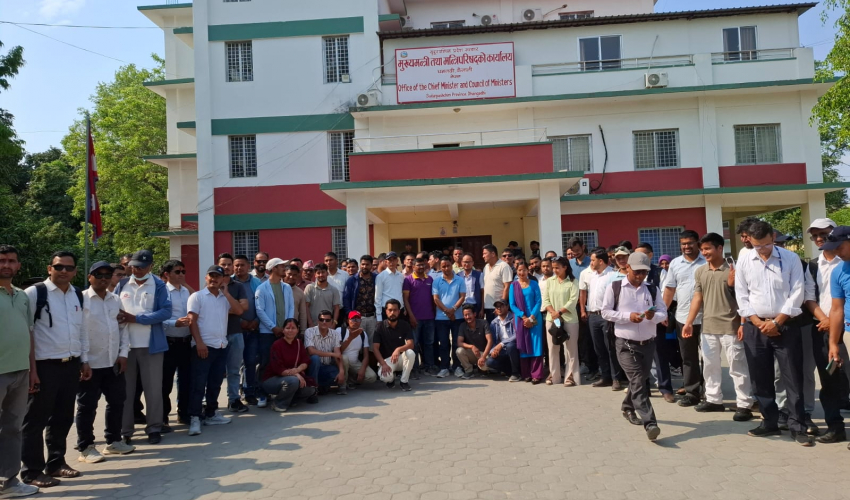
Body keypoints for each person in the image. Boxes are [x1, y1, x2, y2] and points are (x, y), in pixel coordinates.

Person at [735, 220, 812, 446]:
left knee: (792, 377)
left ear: (773, 237)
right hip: (756, 327)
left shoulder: (790, 258)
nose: (762, 250)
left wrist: (777, 322)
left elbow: (797, 292)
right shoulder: (745, 259)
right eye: (757, 245)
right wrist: (758, 322)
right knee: (760, 377)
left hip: (786, 325)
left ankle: (797, 426)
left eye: (766, 244)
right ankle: (769, 421)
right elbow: (741, 294)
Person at [22, 251, 91, 487]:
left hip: (70, 364)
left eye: (69, 268)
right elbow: (27, 331)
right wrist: (31, 370)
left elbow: (82, 330)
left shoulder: (77, 294)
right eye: (59, 267)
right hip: (44, 366)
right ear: (49, 268)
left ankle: (56, 463)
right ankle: (32, 471)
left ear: (75, 271)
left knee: (62, 417)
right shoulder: (35, 293)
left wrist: (84, 360)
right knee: (35, 420)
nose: (64, 271)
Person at [683, 233, 754, 421]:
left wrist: (743, 323)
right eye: (702, 249)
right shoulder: (700, 271)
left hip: (731, 327)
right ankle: (714, 400)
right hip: (708, 327)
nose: (704, 252)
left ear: (720, 248)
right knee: (710, 366)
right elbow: (697, 298)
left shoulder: (734, 269)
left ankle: (744, 404)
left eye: (708, 248)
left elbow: (744, 298)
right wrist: (689, 322)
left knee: (737, 367)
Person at [602, 252, 667, 441]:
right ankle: (650, 423)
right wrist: (627, 317)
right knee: (638, 380)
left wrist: (653, 316)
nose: (640, 276)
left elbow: (663, 312)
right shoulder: (615, 287)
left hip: (648, 343)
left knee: (638, 380)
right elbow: (605, 312)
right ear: (627, 267)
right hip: (625, 344)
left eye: (644, 272)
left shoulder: (652, 289)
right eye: (637, 272)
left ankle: (627, 407)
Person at [75, 262, 134, 465]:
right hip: (90, 364)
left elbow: (123, 327)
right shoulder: (81, 299)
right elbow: (79, 331)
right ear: (89, 277)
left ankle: (113, 441)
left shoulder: (115, 299)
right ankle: (85, 447)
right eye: (98, 274)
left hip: (113, 362)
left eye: (107, 275)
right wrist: (83, 360)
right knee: (87, 406)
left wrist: (123, 354)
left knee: (117, 402)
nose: (103, 278)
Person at [115, 249, 171, 446]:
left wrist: (137, 318)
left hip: (151, 345)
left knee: (153, 390)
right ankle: (125, 431)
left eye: (141, 267)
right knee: (126, 391)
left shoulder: (158, 285)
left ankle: (154, 427)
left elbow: (166, 312)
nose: (136, 270)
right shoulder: (122, 284)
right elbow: (112, 307)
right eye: (133, 267)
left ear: (150, 267)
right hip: (125, 347)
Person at [186, 265, 244, 436]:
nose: (214, 279)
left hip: (221, 346)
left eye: (217, 277)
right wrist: (199, 343)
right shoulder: (197, 297)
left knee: (215, 383)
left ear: (223, 280)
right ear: (206, 278)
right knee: (198, 384)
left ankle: (211, 413)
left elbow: (239, 310)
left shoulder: (224, 299)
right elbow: (192, 321)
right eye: (211, 276)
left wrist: (226, 293)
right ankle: (195, 417)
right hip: (203, 347)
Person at [0, 245, 39, 497]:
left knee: (13, 428)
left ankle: (9, 482)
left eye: (11, 261)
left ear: (18, 266)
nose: (6, 265)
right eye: (2, 260)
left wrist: (32, 369)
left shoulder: (22, 296)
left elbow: (29, 333)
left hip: (21, 371)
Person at [812, 223, 850, 445]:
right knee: (831, 381)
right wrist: (834, 343)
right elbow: (836, 309)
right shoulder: (839, 271)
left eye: (840, 246)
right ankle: (835, 429)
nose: (836, 251)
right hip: (844, 333)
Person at [662, 230, 706, 408]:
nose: (686, 246)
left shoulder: (706, 261)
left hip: (707, 318)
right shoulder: (675, 263)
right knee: (688, 358)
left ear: (697, 243)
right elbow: (669, 289)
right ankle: (692, 392)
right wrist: (663, 312)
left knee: (709, 358)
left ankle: (710, 392)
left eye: (690, 243)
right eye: (683, 244)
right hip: (683, 317)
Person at [634, 244, 676, 403]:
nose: (639, 258)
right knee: (639, 355)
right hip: (636, 320)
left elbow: (666, 294)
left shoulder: (659, 272)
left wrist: (662, 313)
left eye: (643, 255)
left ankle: (665, 388)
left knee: (660, 354)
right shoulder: (631, 273)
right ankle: (643, 389)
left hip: (655, 319)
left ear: (650, 255)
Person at [253, 258, 295, 408]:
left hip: (284, 332)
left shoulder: (286, 287)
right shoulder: (262, 288)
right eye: (281, 266)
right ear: (273, 268)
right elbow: (260, 311)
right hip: (267, 333)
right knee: (265, 362)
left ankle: (278, 391)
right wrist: (273, 327)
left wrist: (287, 325)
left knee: (282, 362)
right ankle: (262, 393)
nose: (284, 268)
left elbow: (290, 307)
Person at [581, 248, 622, 389]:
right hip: (593, 315)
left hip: (607, 317)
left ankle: (616, 378)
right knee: (598, 348)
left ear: (600, 261)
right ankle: (605, 377)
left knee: (610, 347)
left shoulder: (613, 275)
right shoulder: (592, 276)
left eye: (592, 260)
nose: (591, 263)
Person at [160, 259, 192, 430]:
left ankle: (184, 413)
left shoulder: (186, 291)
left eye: (183, 271)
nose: (181, 275)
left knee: (186, 380)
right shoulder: (162, 292)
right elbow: (158, 317)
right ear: (167, 274)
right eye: (177, 272)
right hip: (169, 342)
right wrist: (174, 323)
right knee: (165, 383)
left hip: (186, 341)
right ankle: (163, 416)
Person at [261, 318, 318, 412]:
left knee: (310, 390)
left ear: (297, 330)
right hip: (273, 379)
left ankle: (290, 399)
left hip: (292, 377)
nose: (290, 330)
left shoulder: (299, 343)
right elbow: (278, 369)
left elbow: (305, 361)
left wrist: (297, 370)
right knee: (293, 381)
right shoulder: (277, 345)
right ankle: (279, 404)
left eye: (293, 328)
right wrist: (296, 374)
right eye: (287, 328)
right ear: (283, 330)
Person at [217, 254, 250, 414]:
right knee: (215, 371)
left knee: (234, 369)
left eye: (229, 264)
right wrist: (234, 308)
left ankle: (234, 399)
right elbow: (209, 308)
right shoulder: (212, 285)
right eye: (223, 264)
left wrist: (223, 308)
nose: (226, 267)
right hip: (217, 334)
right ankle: (210, 402)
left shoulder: (238, 286)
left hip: (235, 332)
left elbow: (244, 307)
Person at [543, 257, 580, 387]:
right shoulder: (550, 281)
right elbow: (546, 299)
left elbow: (573, 300)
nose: (554, 270)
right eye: (553, 267)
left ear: (565, 267)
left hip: (569, 319)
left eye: (557, 268)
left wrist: (559, 312)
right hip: (552, 319)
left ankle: (571, 376)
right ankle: (554, 375)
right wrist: (553, 313)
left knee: (571, 349)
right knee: (552, 348)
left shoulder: (573, 281)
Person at [232, 255, 262, 408]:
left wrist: (256, 320)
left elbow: (261, 304)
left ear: (248, 266)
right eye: (236, 265)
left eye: (242, 265)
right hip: (235, 329)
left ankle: (249, 392)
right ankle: (234, 395)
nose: (239, 268)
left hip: (254, 328)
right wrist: (241, 322)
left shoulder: (256, 282)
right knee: (235, 364)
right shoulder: (229, 282)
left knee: (250, 361)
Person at [510, 261, 545, 383]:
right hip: (520, 320)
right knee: (523, 344)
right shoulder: (513, 286)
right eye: (519, 270)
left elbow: (538, 301)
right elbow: (512, 304)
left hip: (535, 319)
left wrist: (531, 318)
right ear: (516, 271)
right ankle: (526, 373)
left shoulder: (534, 284)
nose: (522, 272)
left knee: (536, 345)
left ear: (528, 271)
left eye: (524, 270)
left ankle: (537, 374)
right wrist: (523, 316)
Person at [432, 256, 466, 378]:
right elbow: (436, 299)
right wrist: (448, 311)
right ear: (440, 267)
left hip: (458, 317)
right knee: (444, 343)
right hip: (441, 318)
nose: (446, 268)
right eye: (443, 266)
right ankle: (444, 367)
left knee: (457, 343)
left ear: (452, 265)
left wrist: (453, 310)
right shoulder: (436, 281)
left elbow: (462, 297)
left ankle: (457, 367)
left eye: (448, 266)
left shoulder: (460, 280)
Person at [372, 299, 415, 391]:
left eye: (395, 310)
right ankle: (391, 379)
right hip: (387, 361)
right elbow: (375, 348)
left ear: (399, 311)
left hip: (400, 358)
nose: (392, 313)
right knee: (385, 377)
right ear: (386, 311)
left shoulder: (404, 325)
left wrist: (398, 349)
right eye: (390, 310)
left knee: (410, 353)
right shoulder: (379, 327)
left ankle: (404, 381)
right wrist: (383, 364)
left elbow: (411, 344)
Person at [403, 257, 436, 377]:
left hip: (429, 317)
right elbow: (406, 300)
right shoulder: (408, 280)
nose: (421, 267)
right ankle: (414, 368)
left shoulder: (430, 279)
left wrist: (434, 313)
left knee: (429, 343)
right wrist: (411, 316)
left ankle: (429, 366)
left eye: (423, 265)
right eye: (418, 265)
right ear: (413, 267)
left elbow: (433, 298)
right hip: (415, 318)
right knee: (415, 344)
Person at [304, 310, 346, 395]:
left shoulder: (335, 333)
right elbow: (311, 351)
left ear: (331, 322)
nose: (324, 322)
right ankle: (313, 389)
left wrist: (341, 371)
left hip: (326, 366)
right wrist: (331, 354)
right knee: (315, 358)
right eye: (321, 320)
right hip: (312, 367)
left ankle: (320, 386)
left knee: (336, 376)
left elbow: (337, 354)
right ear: (318, 321)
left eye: (327, 320)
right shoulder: (309, 331)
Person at [342, 255, 378, 342]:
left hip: (372, 317)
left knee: (372, 343)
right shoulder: (352, 280)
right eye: (363, 264)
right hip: (357, 318)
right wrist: (349, 313)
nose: (364, 266)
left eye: (367, 264)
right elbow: (346, 298)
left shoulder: (376, 278)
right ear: (360, 265)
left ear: (371, 265)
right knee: (358, 342)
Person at [485, 300, 521, 381]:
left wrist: (501, 344)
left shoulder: (513, 318)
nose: (499, 308)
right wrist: (493, 351)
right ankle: (508, 371)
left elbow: (517, 335)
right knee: (490, 362)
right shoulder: (494, 322)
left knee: (510, 346)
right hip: (501, 350)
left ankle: (516, 373)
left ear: (507, 307)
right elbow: (493, 341)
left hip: (514, 348)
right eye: (497, 307)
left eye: (501, 306)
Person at [340, 311, 378, 387]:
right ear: (348, 320)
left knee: (372, 377)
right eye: (353, 319)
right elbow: (338, 351)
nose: (355, 322)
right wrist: (350, 338)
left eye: (358, 319)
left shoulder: (363, 334)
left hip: (354, 363)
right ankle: (342, 385)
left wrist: (362, 369)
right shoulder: (340, 331)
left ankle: (350, 380)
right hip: (341, 362)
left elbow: (366, 355)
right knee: (344, 358)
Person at [456, 304, 493, 378]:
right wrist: (472, 346)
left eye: (469, 314)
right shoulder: (462, 325)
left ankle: (482, 369)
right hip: (472, 353)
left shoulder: (484, 323)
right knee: (459, 351)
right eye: (465, 315)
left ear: (474, 314)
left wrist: (483, 357)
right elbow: (459, 342)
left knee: (484, 367)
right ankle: (469, 370)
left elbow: (490, 341)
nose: (467, 317)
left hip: (484, 353)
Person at [483, 244, 513, 323]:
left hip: (499, 308)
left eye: (485, 253)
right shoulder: (486, 267)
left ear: (493, 254)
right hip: (488, 307)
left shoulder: (504, 266)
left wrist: (501, 306)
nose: (483, 256)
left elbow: (507, 287)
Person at [305, 263, 341, 328]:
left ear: (327, 273)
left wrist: (334, 324)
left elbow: (336, 308)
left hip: (328, 326)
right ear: (315, 275)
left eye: (323, 272)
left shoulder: (334, 290)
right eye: (318, 273)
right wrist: (310, 323)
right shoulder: (309, 288)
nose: (321, 275)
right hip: (313, 325)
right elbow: (306, 306)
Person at [375, 252, 405, 321]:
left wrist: (404, 308)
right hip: (387, 310)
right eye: (390, 260)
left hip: (399, 310)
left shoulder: (401, 276)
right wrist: (379, 316)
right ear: (386, 262)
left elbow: (402, 293)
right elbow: (378, 297)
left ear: (397, 261)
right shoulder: (381, 276)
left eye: (394, 260)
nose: (392, 262)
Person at [283, 265, 309, 335]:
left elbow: (302, 313)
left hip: (293, 330)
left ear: (298, 276)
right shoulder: (278, 289)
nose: (291, 277)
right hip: (277, 328)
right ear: (284, 273)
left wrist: (303, 331)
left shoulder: (300, 293)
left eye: (294, 275)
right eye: (289, 274)